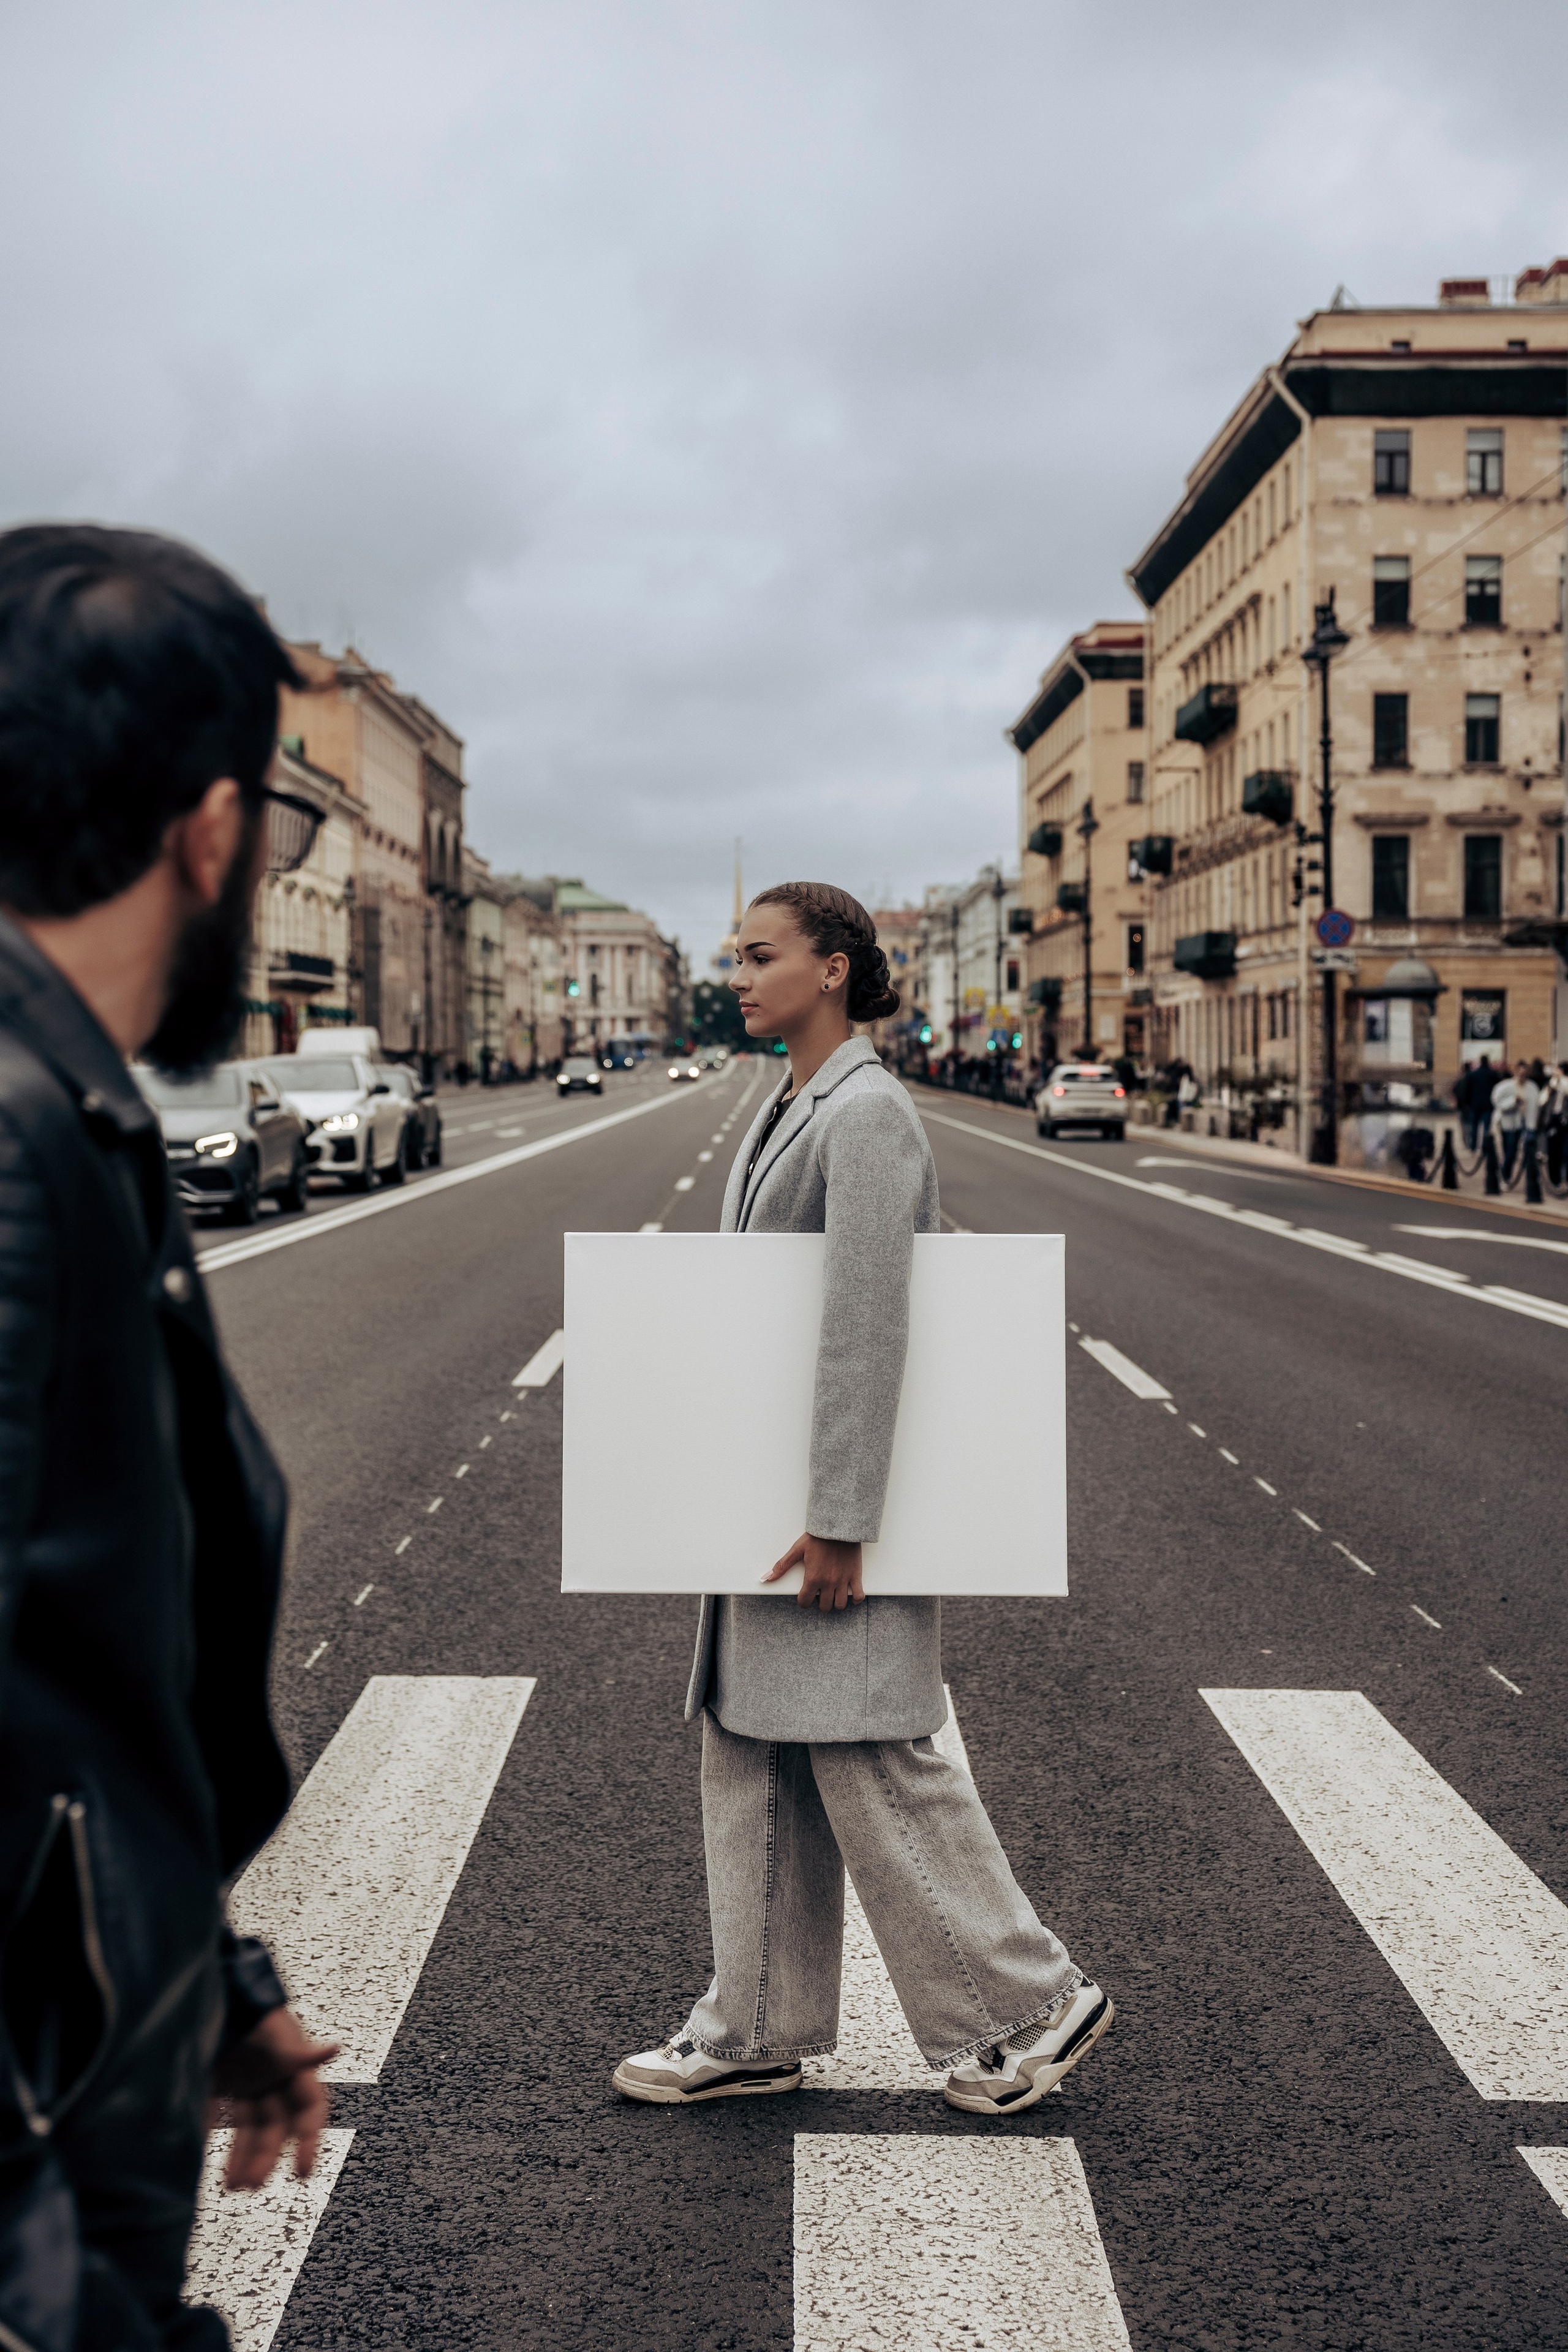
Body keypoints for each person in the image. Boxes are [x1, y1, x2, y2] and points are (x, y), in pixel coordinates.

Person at [613, 881, 1112, 2118]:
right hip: (766, 1489)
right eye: (734, 956)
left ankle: (1030, 2003)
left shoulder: (868, 1113)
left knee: (866, 1747)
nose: (737, 975)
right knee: (752, 1747)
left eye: (759, 955)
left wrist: (844, 1519)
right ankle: (754, 2025)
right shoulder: (793, 1101)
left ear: (832, 968)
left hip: (824, 1509)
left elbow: (868, 1323)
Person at [0, 525, 336, 2351]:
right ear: (211, 833)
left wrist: (200, 1970)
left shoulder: (68, 1102)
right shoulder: (18, 1132)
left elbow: (59, 1675)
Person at [1491, 1060, 1523, 1182]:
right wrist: (1514, 1101)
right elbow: (1498, 1103)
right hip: (1506, 1122)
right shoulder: (1504, 1087)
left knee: (1512, 1150)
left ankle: (1506, 1173)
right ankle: (1506, 1174)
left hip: (1518, 1123)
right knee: (1509, 1149)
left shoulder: (1527, 1087)